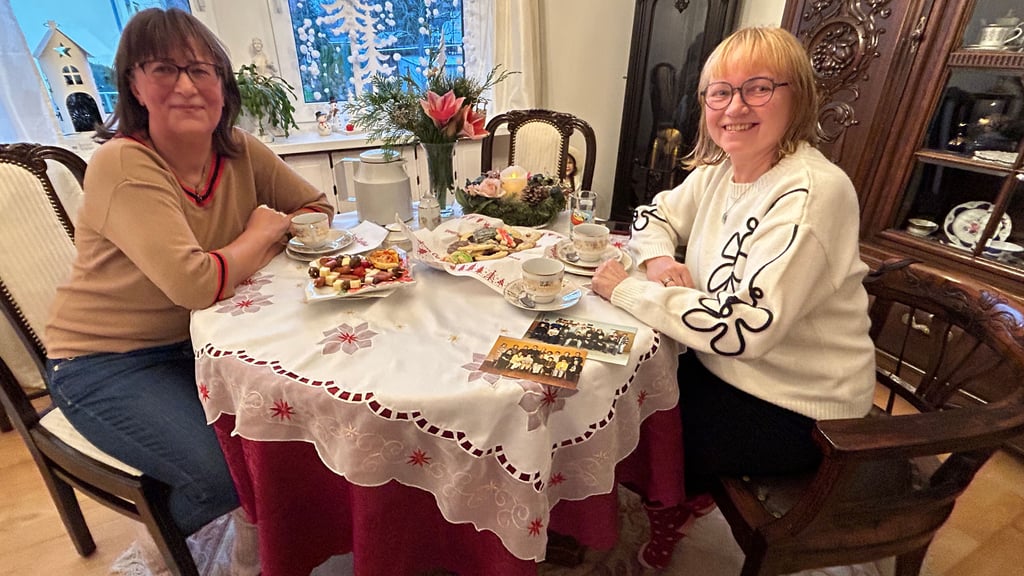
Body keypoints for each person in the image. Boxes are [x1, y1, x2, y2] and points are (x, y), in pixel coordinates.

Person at [42, 8, 333, 573]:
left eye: (201, 70)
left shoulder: (241, 151)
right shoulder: (123, 162)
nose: (186, 85)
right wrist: (260, 231)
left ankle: (264, 534)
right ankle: (167, 553)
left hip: (202, 343)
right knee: (224, 476)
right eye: (164, 68)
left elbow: (316, 209)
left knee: (298, 424)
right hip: (102, 364)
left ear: (223, 86)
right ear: (133, 83)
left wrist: (252, 245)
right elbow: (196, 284)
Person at [591, 27, 875, 569]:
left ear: (799, 97)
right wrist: (656, 260)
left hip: (799, 408)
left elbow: (743, 331)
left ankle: (673, 506)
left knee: (640, 422)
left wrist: (627, 289)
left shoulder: (811, 191)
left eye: (759, 88)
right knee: (617, 390)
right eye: (719, 92)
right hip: (727, 370)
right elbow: (654, 215)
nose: (734, 106)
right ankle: (664, 496)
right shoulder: (724, 171)